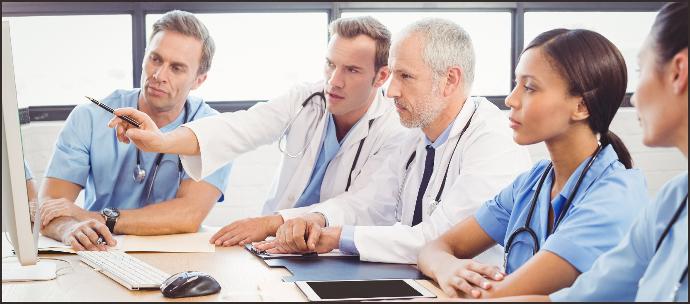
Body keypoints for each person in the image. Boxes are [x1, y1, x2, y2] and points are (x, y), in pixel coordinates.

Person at [254, 18, 532, 266]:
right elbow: (368, 203)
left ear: (450, 80)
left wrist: (338, 237)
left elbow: (442, 239)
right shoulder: (413, 137)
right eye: (393, 74)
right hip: (413, 278)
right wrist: (317, 219)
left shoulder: (494, 142)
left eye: (405, 76)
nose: (391, 91)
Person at [109, 16, 406, 247]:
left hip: (338, 251)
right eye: (330, 65)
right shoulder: (306, 99)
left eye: (351, 70)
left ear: (381, 76)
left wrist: (270, 222)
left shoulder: (393, 129)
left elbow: (361, 206)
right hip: (277, 245)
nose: (334, 81)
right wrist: (162, 140)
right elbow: (243, 126)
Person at [416, 27, 650, 298]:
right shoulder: (534, 182)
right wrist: (446, 268)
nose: (511, 99)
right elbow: (435, 248)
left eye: (529, 87)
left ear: (581, 106)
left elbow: (499, 296)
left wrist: (454, 274)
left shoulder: (613, 198)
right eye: (516, 84)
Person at [484, 2, 686, 302]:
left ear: (678, 73)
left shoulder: (617, 198)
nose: (634, 97)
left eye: (642, 70)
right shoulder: (674, 200)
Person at [39, 10, 232, 251]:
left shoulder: (212, 130)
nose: (159, 75)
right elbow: (49, 205)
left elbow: (188, 215)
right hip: (99, 250)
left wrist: (97, 218)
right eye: (156, 59)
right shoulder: (89, 117)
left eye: (177, 68)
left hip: (175, 254)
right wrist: (68, 228)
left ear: (198, 80)